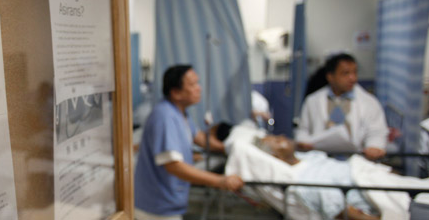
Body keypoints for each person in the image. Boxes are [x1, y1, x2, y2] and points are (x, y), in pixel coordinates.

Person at [134, 65, 244, 220]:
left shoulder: (180, 113)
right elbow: (173, 166)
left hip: (169, 201)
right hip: (156, 207)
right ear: (176, 92)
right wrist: (220, 181)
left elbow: (200, 138)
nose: (199, 88)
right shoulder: (164, 116)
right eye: (192, 85)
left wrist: (230, 148)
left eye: (197, 83)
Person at [256, 135, 380, 220]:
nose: (283, 137)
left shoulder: (309, 157)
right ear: (277, 156)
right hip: (371, 190)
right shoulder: (305, 180)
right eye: (278, 141)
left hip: (371, 173)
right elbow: (342, 212)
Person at [295, 53, 389, 160]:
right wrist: (303, 142)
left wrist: (374, 147)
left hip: (356, 159)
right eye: (346, 73)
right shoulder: (312, 101)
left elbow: (376, 132)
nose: (352, 78)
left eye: (354, 72)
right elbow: (303, 129)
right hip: (320, 158)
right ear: (330, 77)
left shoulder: (369, 102)